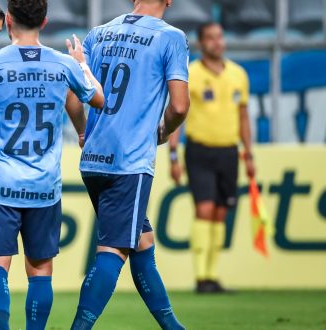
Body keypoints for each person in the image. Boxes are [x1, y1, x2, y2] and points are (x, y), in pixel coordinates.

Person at [0, 0, 104, 328]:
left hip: (1, 185)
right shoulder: (62, 64)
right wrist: (82, 65)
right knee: (40, 271)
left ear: (9, 20)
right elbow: (98, 99)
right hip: (44, 186)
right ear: (44, 22)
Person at [70, 0, 189, 329]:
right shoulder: (170, 37)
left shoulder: (99, 33)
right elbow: (179, 105)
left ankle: (173, 327)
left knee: (141, 242)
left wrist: (83, 132)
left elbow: (72, 96)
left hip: (93, 159)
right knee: (113, 250)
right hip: (129, 162)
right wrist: (162, 132)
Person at [168, 22, 255, 294]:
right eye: (211, 38)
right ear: (201, 43)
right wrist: (173, 153)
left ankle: (213, 276)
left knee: (220, 212)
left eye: (220, 37)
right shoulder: (190, 74)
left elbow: (243, 116)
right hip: (200, 150)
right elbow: (177, 115)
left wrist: (248, 154)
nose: (217, 42)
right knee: (204, 209)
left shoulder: (239, 75)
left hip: (229, 151)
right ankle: (201, 276)